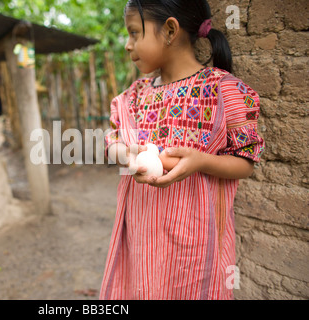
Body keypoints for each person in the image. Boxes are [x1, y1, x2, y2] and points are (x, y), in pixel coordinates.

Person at [101, 0, 265, 300]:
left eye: (135, 33)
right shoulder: (133, 97)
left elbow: (246, 162)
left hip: (196, 244)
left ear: (170, 30)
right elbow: (111, 142)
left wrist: (201, 161)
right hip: (142, 238)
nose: (128, 45)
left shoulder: (221, 90)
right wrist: (127, 155)